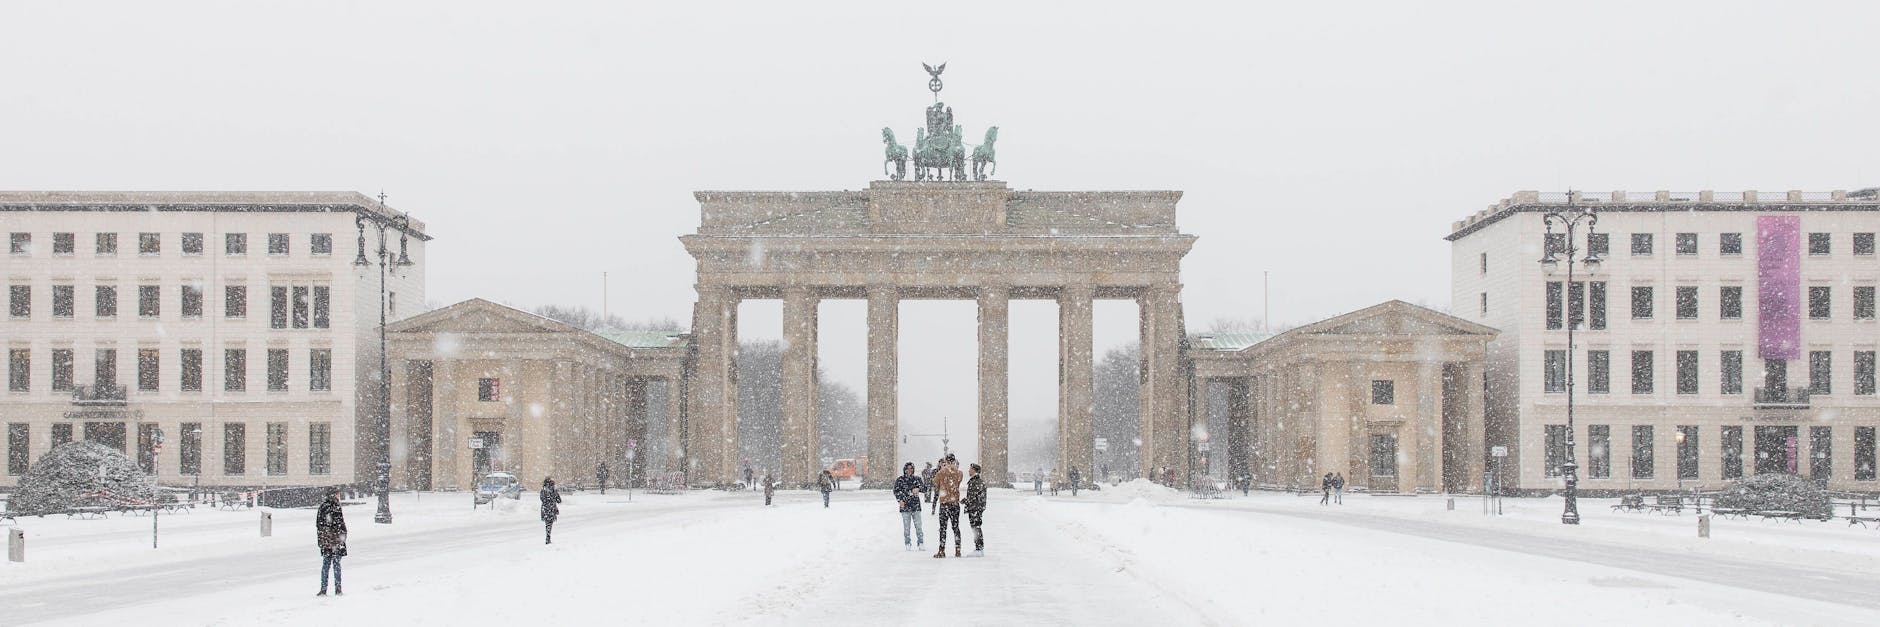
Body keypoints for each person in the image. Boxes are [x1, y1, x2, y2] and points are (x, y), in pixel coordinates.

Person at [315, 488, 347, 596]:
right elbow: (340, 524)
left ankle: (323, 588)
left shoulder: (323, 506)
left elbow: (319, 525)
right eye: (338, 494)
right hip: (335, 541)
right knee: (336, 564)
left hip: (326, 541)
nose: (339, 496)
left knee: (326, 564)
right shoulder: (336, 506)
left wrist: (322, 540)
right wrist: (342, 537)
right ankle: (338, 589)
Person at [932, 455, 963, 558]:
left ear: (946, 461)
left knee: (943, 528)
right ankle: (958, 550)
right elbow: (958, 481)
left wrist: (943, 468)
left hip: (945, 503)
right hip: (955, 503)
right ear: (954, 461)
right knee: (956, 527)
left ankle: (942, 550)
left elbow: (935, 481)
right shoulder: (959, 473)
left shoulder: (942, 472)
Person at [893, 462, 925, 550]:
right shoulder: (900, 480)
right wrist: (900, 500)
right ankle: (907, 543)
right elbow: (896, 491)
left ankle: (921, 542)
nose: (909, 470)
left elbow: (925, 488)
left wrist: (918, 489)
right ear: (905, 469)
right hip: (905, 506)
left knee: (918, 526)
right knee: (906, 527)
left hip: (916, 506)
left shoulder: (917, 479)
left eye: (911, 468)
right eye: (908, 468)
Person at [963, 462, 987, 556]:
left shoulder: (975, 482)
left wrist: (964, 501)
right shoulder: (977, 481)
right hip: (977, 508)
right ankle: (979, 547)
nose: (969, 470)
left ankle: (979, 548)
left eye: (970, 469)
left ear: (974, 471)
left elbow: (972, 497)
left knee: (976, 528)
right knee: (976, 527)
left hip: (975, 508)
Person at [541, 477, 562, 544]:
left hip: (545, 509)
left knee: (547, 524)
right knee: (550, 524)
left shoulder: (543, 491)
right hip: (552, 509)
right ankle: (548, 537)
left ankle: (548, 536)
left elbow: (542, 499)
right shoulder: (554, 490)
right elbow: (559, 500)